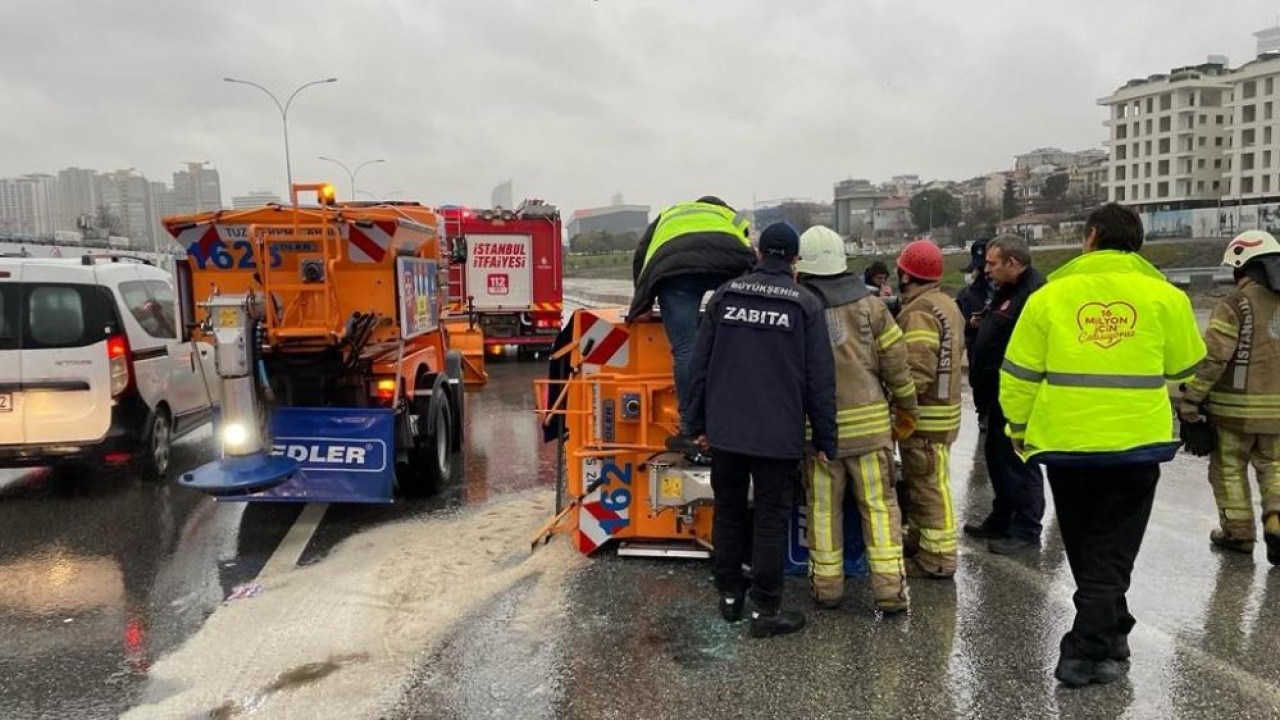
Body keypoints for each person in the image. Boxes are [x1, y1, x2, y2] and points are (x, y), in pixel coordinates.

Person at [1000, 203, 1205, 688]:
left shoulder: (1050, 297)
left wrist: (1018, 427)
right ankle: (1091, 647)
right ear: (1138, 244)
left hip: (1067, 446)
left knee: (1087, 544)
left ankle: (1103, 636)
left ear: (1089, 237)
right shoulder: (1165, 297)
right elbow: (1186, 371)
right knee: (1111, 550)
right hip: (1135, 445)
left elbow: (1019, 374)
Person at [686, 222, 837, 638]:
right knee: (770, 519)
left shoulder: (725, 296)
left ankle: (730, 596)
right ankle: (766, 610)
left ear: (757, 254)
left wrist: (696, 424)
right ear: (793, 259)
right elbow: (819, 379)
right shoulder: (805, 305)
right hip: (778, 435)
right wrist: (826, 438)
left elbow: (700, 365)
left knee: (729, 511)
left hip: (727, 432)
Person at [796, 225, 918, 614]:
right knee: (881, 509)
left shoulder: (800, 308)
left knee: (822, 511)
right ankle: (890, 592)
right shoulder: (872, 306)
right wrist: (907, 406)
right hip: (869, 434)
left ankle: (826, 589)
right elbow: (896, 364)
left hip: (819, 437)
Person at [1177, 230, 1280, 566]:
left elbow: (1214, 358)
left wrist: (1191, 401)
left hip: (1233, 411)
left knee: (1229, 469)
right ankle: (1276, 518)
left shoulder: (1235, 304)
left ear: (1242, 268)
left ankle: (1238, 533)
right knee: (1275, 466)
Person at [627, 196, 755, 449]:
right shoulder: (730, 217)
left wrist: (641, 302)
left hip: (674, 270)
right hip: (727, 266)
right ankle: (741, 417)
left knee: (686, 349)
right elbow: (749, 250)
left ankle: (691, 427)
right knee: (740, 343)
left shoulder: (669, 214)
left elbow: (641, 254)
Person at [963, 235, 1047, 555]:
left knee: (1018, 462)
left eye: (992, 263)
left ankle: (1026, 528)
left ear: (1012, 263)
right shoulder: (1007, 290)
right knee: (997, 460)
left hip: (1017, 396)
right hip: (996, 394)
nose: (986, 270)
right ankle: (1002, 518)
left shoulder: (1034, 293)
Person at [894, 239, 965, 579]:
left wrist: (898, 402)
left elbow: (917, 371)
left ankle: (939, 558)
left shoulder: (920, 311)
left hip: (925, 418)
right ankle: (920, 543)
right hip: (944, 414)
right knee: (925, 482)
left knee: (929, 487)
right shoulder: (946, 304)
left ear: (906, 275)